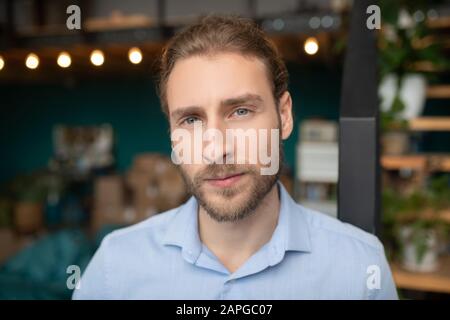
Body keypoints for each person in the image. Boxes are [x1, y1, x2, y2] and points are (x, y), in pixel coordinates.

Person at [73, 14, 398, 300]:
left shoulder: (359, 270)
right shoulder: (114, 268)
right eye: (191, 120)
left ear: (284, 116)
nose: (216, 149)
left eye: (241, 111)